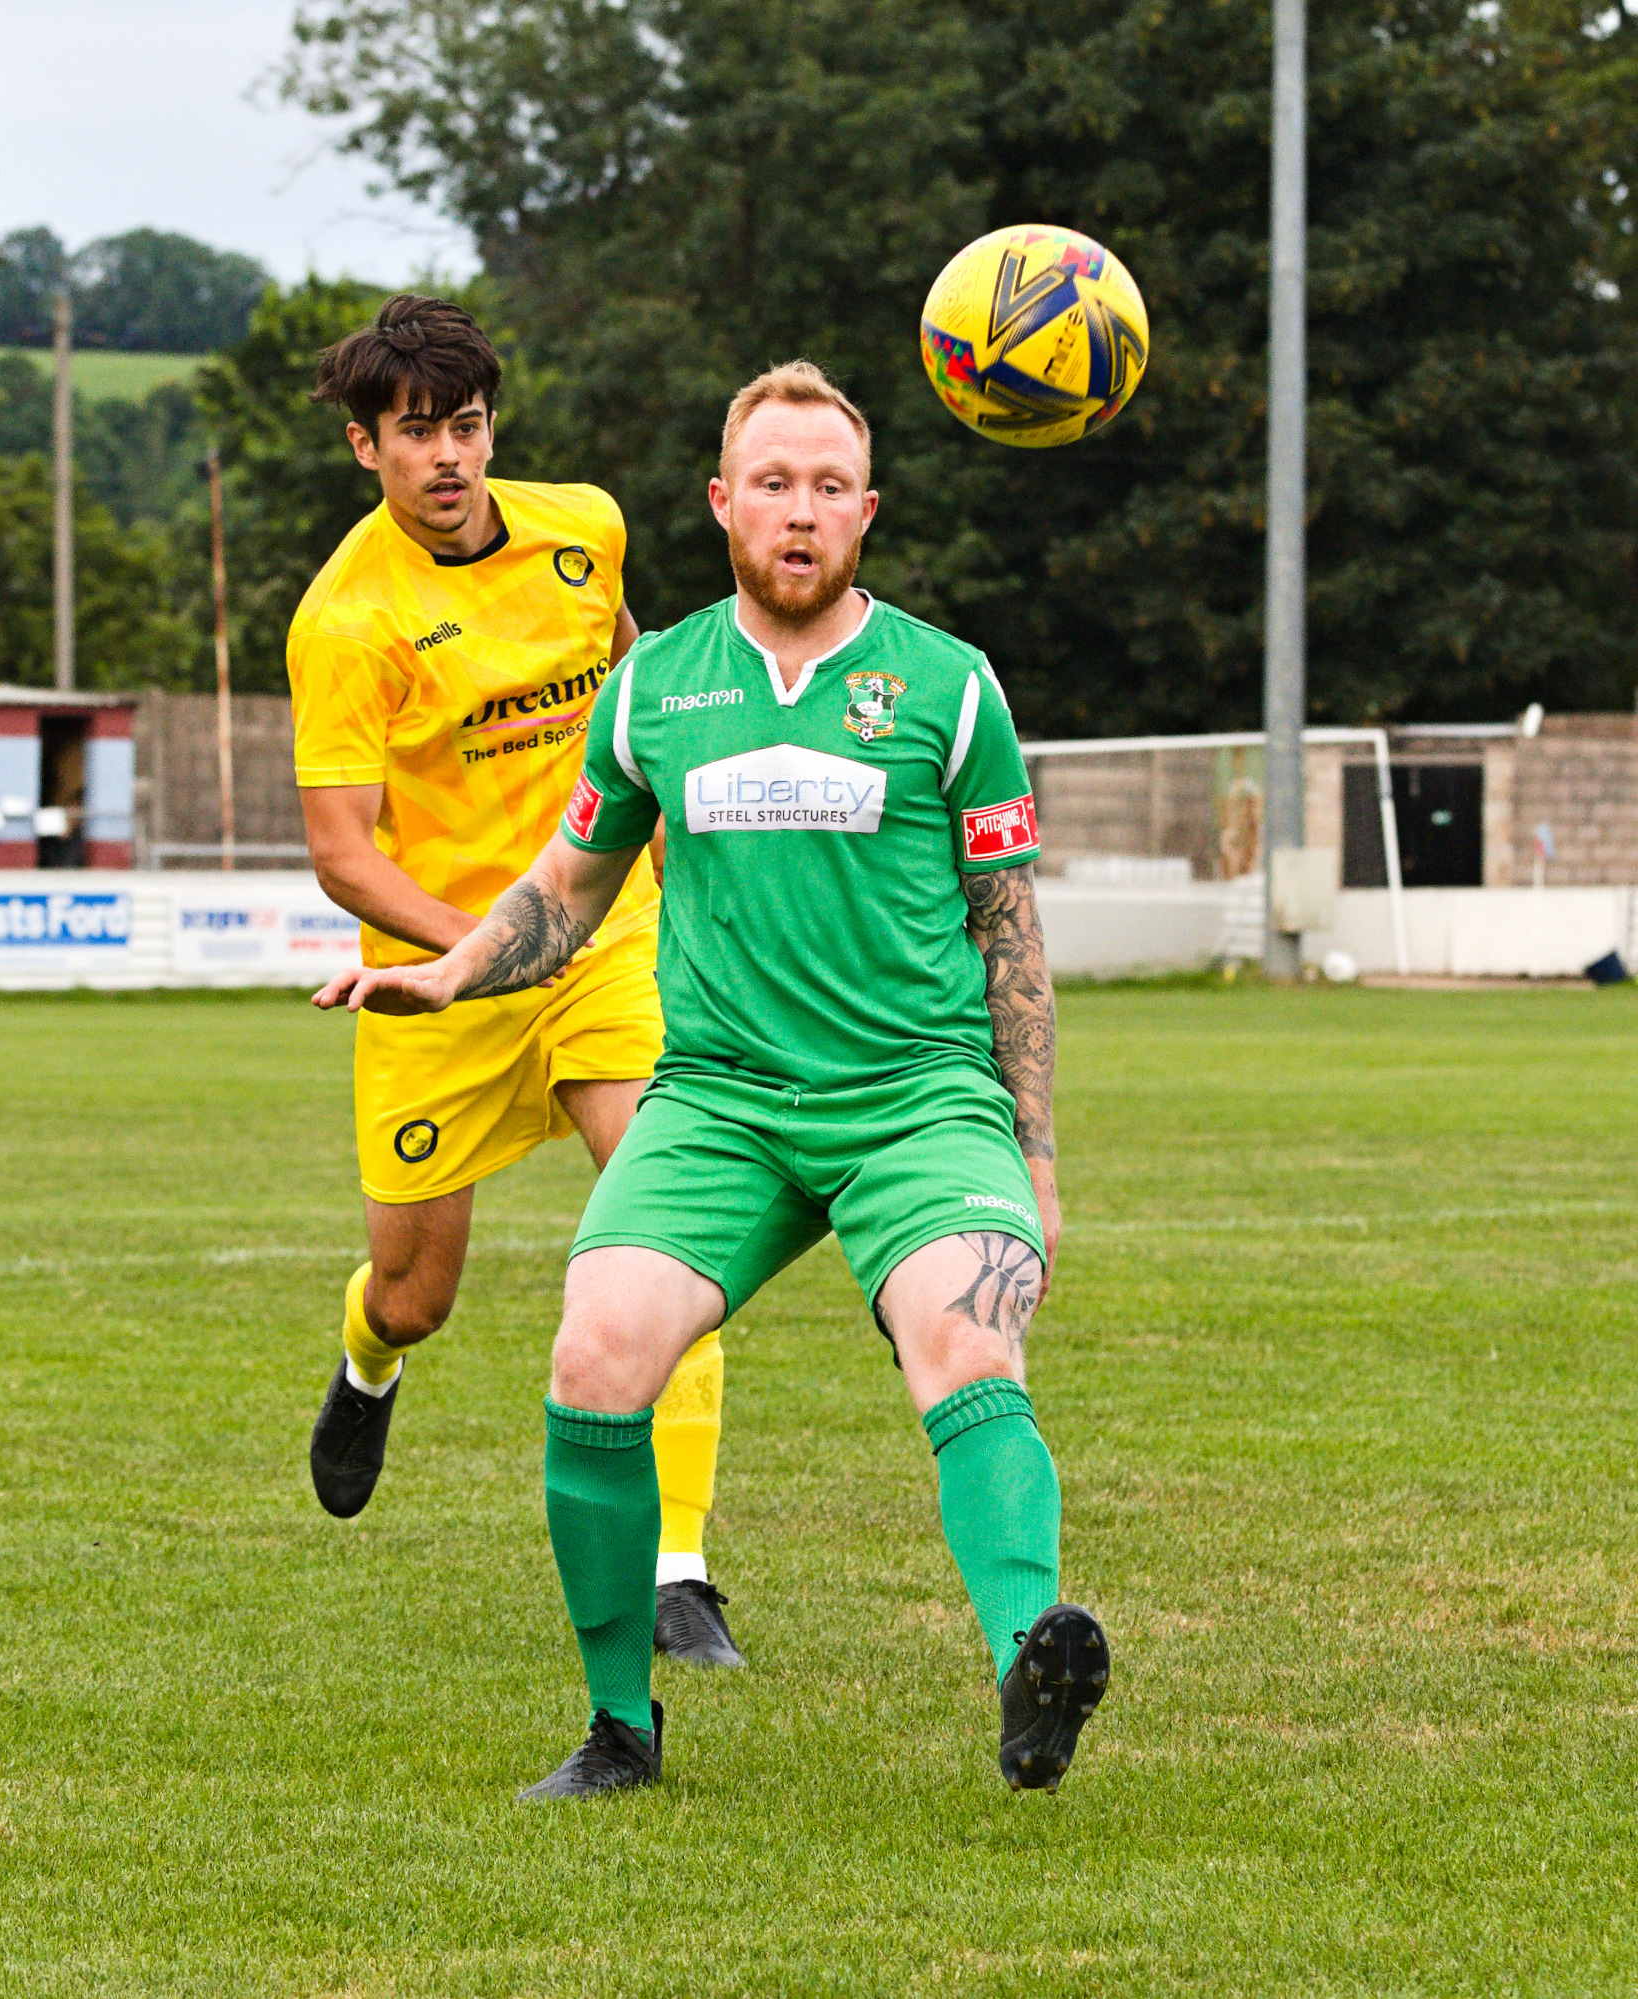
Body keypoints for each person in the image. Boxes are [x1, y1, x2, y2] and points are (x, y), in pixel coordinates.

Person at [314, 358, 1110, 1798]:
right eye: (772, 484)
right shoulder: (654, 688)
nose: (800, 511)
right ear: (721, 504)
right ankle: (621, 1730)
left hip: (917, 1102)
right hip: (722, 1105)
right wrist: (449, 971)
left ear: (866, 512)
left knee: (968, 1345)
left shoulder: (952, 687)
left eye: (828, 487)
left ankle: (1030, 1663)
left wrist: (1035, 1160)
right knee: (595, 1356)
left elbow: (1011, 936)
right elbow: (567, 888)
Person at [290, 293, 743, 1667]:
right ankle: (369, 1360)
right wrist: (477, 950)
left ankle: (679, 1570)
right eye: (416, 434)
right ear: (366, 446)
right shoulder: (346, 621)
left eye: (468, 427)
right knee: (417, 1291)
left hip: (607, 942)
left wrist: (685, 840)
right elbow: (342, 853)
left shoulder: (584, 531)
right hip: (436, 978)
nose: (448, 457)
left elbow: (640, 688)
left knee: (666, 1223)